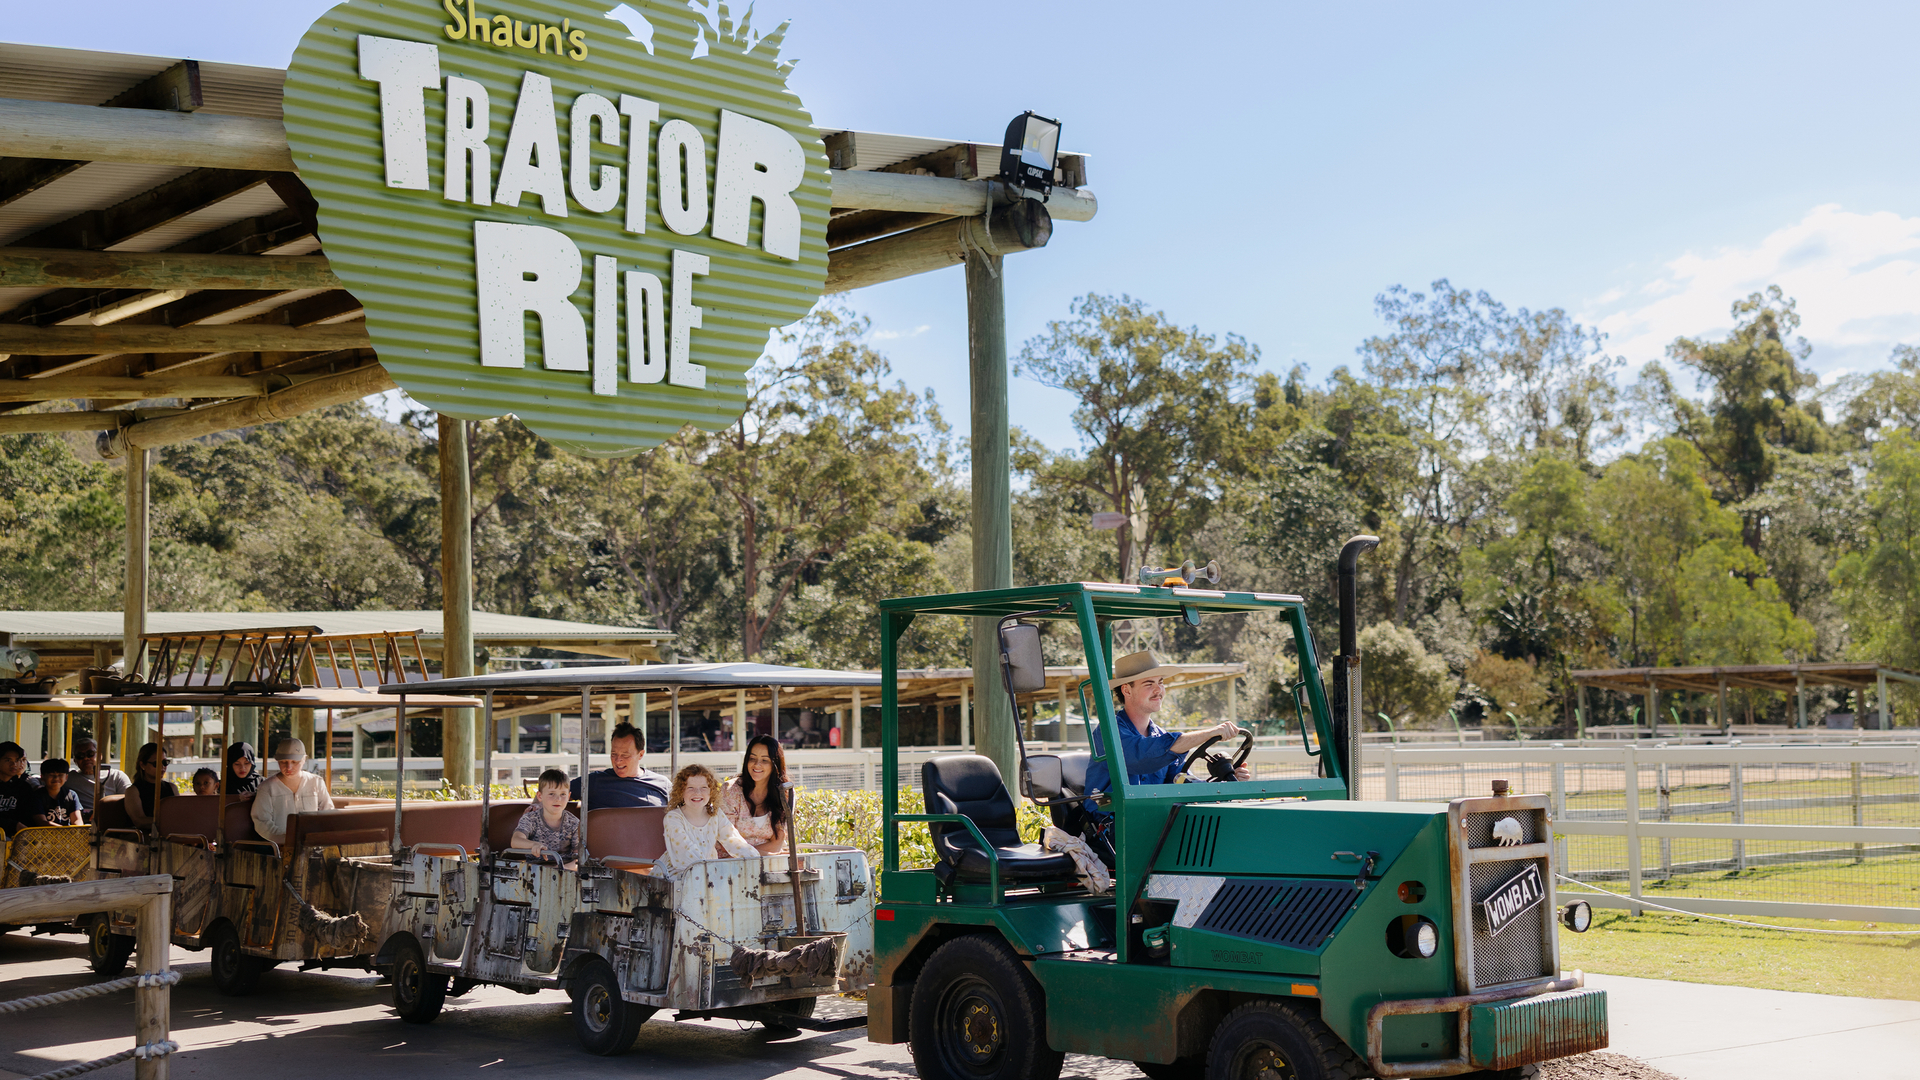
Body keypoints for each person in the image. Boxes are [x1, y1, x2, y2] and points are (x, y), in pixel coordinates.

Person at [1080, 652, 1251, 862]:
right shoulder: (1109, 732)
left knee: (1223, 829)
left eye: (1160, 683)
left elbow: (1179, 779)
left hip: (1150, 822)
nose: (1158, 690)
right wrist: (1209, 733)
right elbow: (1142, 756)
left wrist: (1222, 783)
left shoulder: (1159, 735)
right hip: (1112, 829)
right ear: (1126, 690)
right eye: (1149, 683)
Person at [658, 764, 758, 879]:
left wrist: (754, 859)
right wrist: (710, 870)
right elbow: (685, 852)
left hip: (708, 872)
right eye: (690, 788)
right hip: (679, 874)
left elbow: (732, 839)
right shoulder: (674, 818)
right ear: (681, 792)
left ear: (711, 792)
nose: (697, 793)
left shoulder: (715, 814)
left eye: (703, 788)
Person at [250, 739, 334, 846]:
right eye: (283, 762)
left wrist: (317, 837)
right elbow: (262, 822)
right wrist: (288, 839)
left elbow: (328, 813)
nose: (289, 767)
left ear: (304, 759)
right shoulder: (267, 788)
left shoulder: (316, 782)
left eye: (294, 762)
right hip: (279, 847)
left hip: (314, 844)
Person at [569, 722, 670, 811]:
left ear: (641, 755)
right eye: (614, 754)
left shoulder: (662, 784)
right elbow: (559, 792)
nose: (618, 760)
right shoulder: (594, 781)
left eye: (625, 755)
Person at [721, 735, 789, 855]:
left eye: (765, 760)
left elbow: (778, 842)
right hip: (731, 865)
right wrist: (766, 854)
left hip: (770, 865)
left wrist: (751, 854)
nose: (757, 764)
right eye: (752, 758)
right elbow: (727, 843)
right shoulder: (730, 790)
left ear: (775, 765)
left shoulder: (784, 793)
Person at [510, 768, 580, 869]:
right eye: (551, 794)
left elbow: (578, 859)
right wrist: (534, 845)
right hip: (534, 873)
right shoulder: (530, 819)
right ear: (540, 796)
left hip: (565, 872)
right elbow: (515, 840)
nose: (558, 799)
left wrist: (558, 871)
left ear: (569, 796)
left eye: (563, 794)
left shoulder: (574, 823)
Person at [66, 739, 131, 814]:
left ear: (100, 756)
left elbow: (129, 801)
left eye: (90, 753)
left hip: (112, 818)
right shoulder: (68, 779)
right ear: (75, 760)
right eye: (80, 756)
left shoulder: (117, 776)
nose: (86, 758)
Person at [125, 742, 177, 828]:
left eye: (165, 762)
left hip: (170, 835)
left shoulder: (172, 787)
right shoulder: (133, 791)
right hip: (143, 837)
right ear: (142, 765)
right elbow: (139, 821)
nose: (162, 767)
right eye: (156, 764)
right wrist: (168, 821)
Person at [30, 759, 84, 827]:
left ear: (66, 777)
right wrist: (63, 831)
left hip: (67, 835)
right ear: (42, 777)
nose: (56, 778)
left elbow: (77, 820)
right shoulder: (37, 796)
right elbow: (41, 822)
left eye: (60, 775)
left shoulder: (71, 795)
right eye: (51, 775)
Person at [0, 741, 35, 836]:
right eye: (8, 760)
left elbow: (28, 817)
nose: (14, 764)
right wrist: (13, 825)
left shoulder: (24, 787)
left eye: (17, 760)